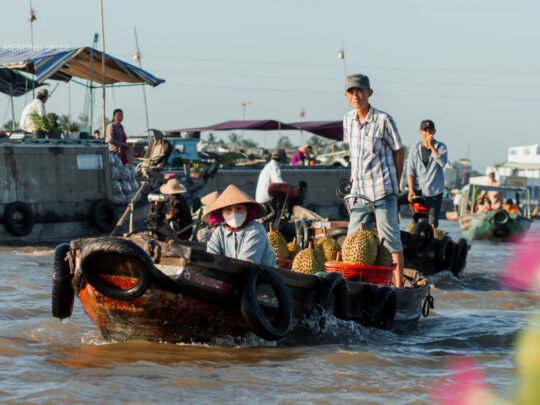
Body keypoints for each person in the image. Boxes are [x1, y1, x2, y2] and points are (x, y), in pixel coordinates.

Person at [343, 74, 405, 287]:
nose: (355, 95)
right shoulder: (348, 120)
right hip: (359, 192)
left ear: (369, 93)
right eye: (351, 92)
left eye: (359, 91)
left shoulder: (383, 120)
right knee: (352, 243)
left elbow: (399, 150)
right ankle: (355, 286)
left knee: (390, 242)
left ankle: (398, 289)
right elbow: (354, 153)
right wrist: (353, 174)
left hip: (382, 189)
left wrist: (396, 184)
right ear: (346, 95)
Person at [204, 184, 276, 267]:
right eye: (228, 210)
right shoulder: (219, 233)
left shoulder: (255, 230)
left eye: (239, 208)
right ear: (221, 214)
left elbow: (246, 264)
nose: (234, 214)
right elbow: (212, 258)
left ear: (247, 211)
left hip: (260, 278)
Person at [406, 119, 448, 228]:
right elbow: (410, 171)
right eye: (425, 130)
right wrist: (411, 189)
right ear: (420, 132)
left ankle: (432, 239)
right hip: (419, 190)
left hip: (435, 192)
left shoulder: (441, 147)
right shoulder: (415, 149)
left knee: (432, 222)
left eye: (430, 130)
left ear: (434, 132)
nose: (427, 133)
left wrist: (432, 146)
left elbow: (442, 163)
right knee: (416, 217)